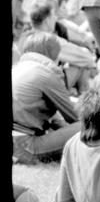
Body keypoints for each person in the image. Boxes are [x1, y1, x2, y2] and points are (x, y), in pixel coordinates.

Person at [12, 31, 80, 162]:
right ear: (54, 54)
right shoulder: (47, 73)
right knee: (89, 124)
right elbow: (76, 117)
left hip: (17, 142)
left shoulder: (17, 69)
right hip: (27, 147)